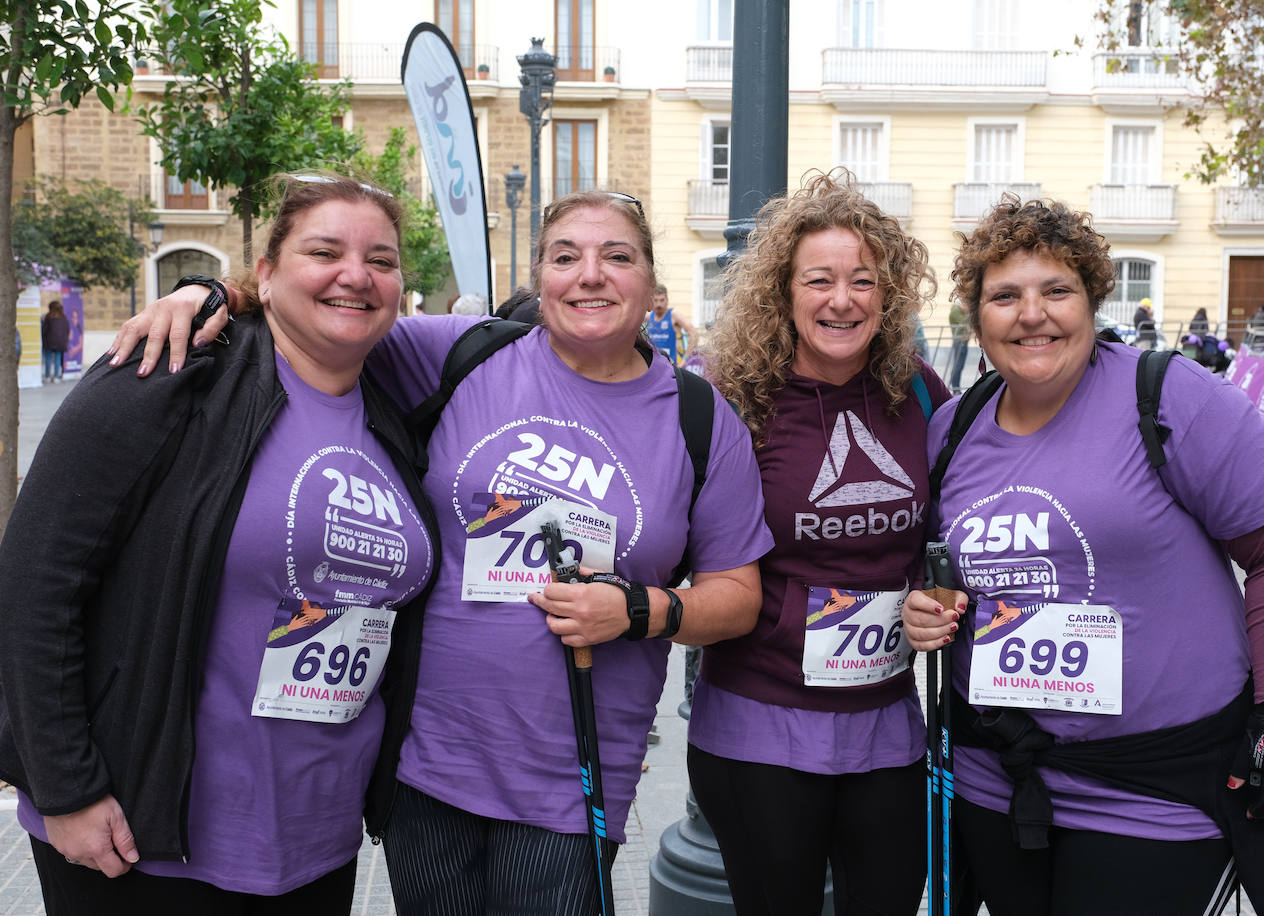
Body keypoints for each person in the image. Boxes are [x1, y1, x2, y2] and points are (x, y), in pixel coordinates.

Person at [109, 188, 774, 915]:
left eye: (617, 257)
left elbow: (738, 598)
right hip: (424, 764)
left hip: (571, 776)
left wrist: (639, 610)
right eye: (565, 256)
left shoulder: (699, 420)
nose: (590, 275)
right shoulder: (457, 353)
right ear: (538, 277)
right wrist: (209, 293)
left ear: (651, 285)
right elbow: (322, 310)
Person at [903, 196, 1264, 915]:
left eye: (1057, 290)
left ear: (1092, 300)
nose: (1032, 314)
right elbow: (942, 571)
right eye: (1004, 296)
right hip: (998, 778)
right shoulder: (952, 429)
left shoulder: (1172, 398)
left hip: (1153, 793)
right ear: (975, 317)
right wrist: (926, 606)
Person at [0, 171, 440, 913]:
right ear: (264, 276)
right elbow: (35, 586)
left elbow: (532, 323)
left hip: (313, 838)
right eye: (323, 251)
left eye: (383, 261)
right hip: (143, 840)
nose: (356, 275)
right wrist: (64, 785)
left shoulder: (396, 414)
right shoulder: (167, 373)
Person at [689, 170, 957, 915]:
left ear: (888, 295)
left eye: (863, 281)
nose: (842, 300)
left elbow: (948, 535)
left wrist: (937, 597)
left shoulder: (920, 391)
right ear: (784, 292)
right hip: (759, 729)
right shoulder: (731, 399)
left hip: (887, 728)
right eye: (819, 280)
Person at [645, 283, 699, 364]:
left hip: (673, 365)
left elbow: (694, 334)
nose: (659, 304)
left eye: (662, 300)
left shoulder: (674, 315)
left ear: (667, 300)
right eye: (655, 300)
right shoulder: (649, 317)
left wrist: (685, 359)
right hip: (655, 366)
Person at [40, 300, 69, 383]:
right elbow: (67, 330)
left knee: (48, 359)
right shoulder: (64, 317)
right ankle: (56, 377)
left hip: (49, 341)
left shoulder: (48, 317)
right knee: (57, 359)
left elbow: (44, 330)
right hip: (60, 342)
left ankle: (47, 377)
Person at [947, 300, 971, 391]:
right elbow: (964, 323)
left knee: (960, 366)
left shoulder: (960, 311)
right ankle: (955, 388)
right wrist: (968, 313)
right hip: (959, 342)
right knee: (958, 365)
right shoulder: (956, 311)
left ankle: (956, 387)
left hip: (963, 341)